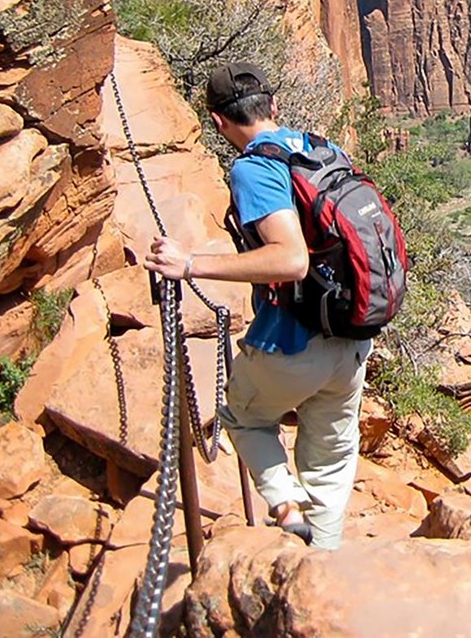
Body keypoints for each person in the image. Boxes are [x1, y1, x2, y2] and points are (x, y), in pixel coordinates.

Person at [143, 62, 370, 549]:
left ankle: (287, 514)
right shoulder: (321, 148)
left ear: (219, 122)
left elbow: (289, 259)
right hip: (353, 338)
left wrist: (189, 266)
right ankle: (321, 564)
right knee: (330, 462)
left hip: (293, 342)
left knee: (242, 417)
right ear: (274, 107)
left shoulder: (252, 168)